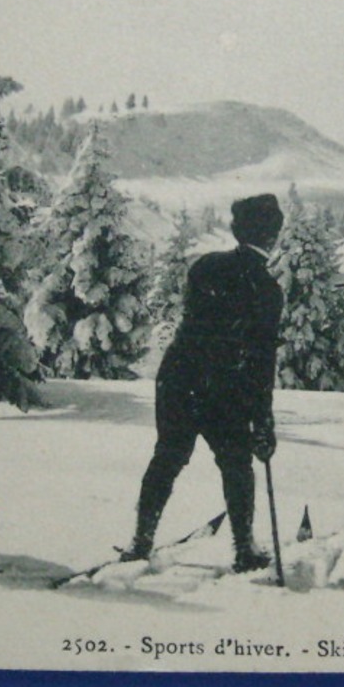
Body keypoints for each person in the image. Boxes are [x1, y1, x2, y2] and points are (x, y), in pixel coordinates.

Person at [122, 193, 285, 572]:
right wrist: (263, 420)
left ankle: (140, 540)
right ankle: (244, 549)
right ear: (273, 236)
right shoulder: (267, 290)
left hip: (178, 377)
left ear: (236, 229)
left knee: (168, 457)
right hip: (224, 387)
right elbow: (262, 361)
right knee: (236, 463)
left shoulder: (205, 266)